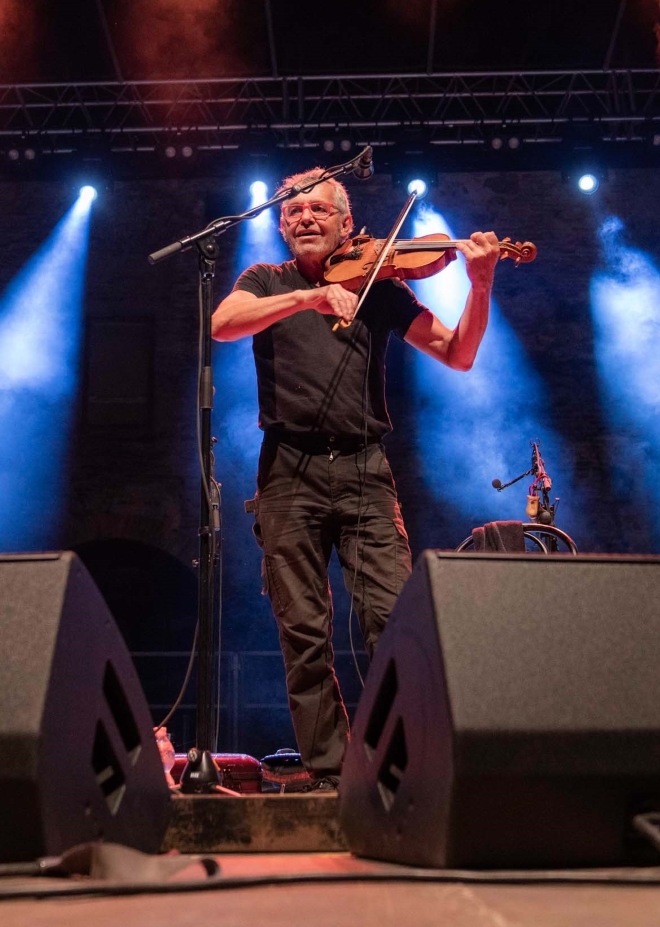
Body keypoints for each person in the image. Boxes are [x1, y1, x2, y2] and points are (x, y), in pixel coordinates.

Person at [211, 169, 501, 789]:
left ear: (348, 224)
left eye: (319, 209)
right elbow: (224, 324)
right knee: (302, 627)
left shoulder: (379, 285)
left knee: (393, 618)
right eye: (293, 212)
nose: (305, 218)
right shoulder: (266, 281)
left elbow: (459, 353)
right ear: (282, 225)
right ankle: (330, 769)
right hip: (288, 469)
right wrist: (308, 299)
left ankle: (403, 759)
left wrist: (480, 285)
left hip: (366, 466)